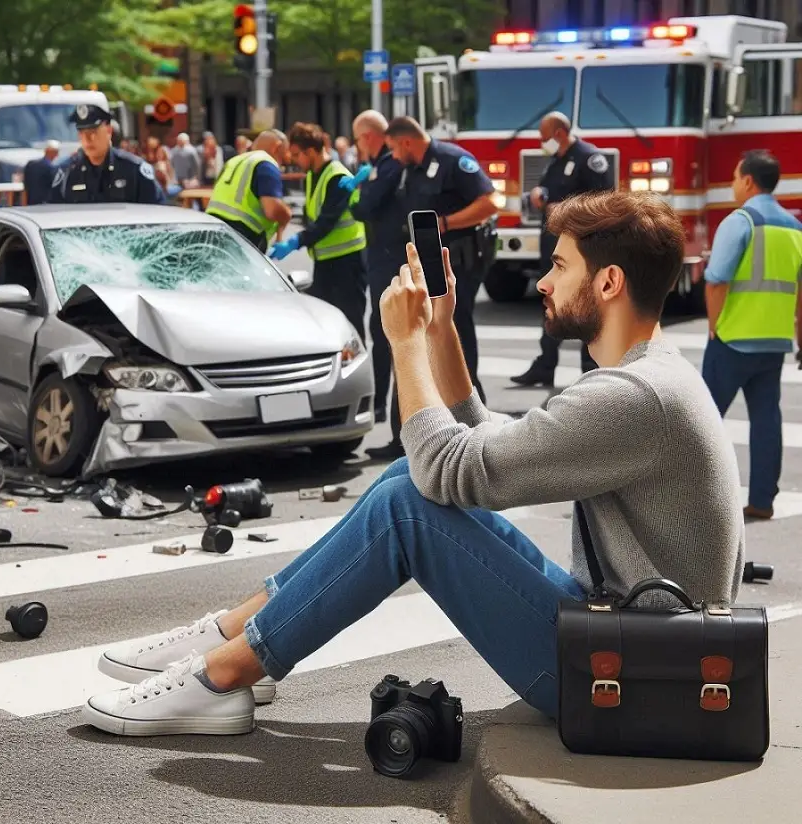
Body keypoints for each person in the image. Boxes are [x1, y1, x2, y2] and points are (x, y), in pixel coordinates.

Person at [81, 189, 744, 739]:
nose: (542, 281)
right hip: (625, 645)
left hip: (630, 680)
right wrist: (439, 330)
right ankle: (234, 635)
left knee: (409, 501)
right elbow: (482, 451)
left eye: (560, 266)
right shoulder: (648, 379)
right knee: (404, 481)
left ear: (608, 282)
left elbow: (454, 472)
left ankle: (224, 674)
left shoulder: (635, 400)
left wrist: (403, 346)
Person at [369, 115, 496, 460]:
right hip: (424, 264)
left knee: (454, 337)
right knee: (415, 340)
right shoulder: (409, 166)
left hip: (457, 264)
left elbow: (489, 203)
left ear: (407, 141)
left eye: (394, 148)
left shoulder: (454, 160)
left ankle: (473, 422)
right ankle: (403, 438)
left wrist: (445, 223)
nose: (392, 156)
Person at [702, 150, 802, 521]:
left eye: (733, 177)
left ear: (748, 181)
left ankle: (691, 501)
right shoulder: (795, 228)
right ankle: (761, 500)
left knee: (702, 421)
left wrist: (715, 328)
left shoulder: (740, 221)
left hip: (732, 339)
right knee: (766, 421)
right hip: (774, 341)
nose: (731, 184)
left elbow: (716, 282)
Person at [510, 112, 614, 387]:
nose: (542, 143)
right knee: (552, 304)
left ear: (558, 134)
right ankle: (545, 365)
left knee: (586, 305)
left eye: (544, 138)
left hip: (583, 249)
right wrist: (541, 196)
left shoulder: (590, 159)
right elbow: (552, 192)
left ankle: (591, 371)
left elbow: (605, 202)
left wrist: (566, 210)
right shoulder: (557, 160)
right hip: (556, 247)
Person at [269, 122, 368, 342]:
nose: (294, 161)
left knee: (350, 326)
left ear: (311, 151)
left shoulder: (336, 176)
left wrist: (295, 241)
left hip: (347, 263)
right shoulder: (314, 174)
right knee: (326, 325)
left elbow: (326, 222)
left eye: (296, 155)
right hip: (326, 262)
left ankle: (357, 375)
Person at [343, 109, 408, 424]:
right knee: (380, 332)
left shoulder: (387, 164)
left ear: (368, 136)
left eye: (357, 139)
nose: (357, 146)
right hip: (383, 255)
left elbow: (363, 207)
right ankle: (383, 403)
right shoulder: (378, 165)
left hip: (389, 257)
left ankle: (385, 406)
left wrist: (355, 195)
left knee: (384, 333)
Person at [49, 103, 164, 205]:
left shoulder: (133, 169)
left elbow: (156, 212)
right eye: (82, 133)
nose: (88, 139)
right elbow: (55, 215)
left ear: (109, 131)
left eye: (93, 132)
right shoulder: (67, 172)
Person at [206, 129, 292, 252]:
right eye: (283, 157)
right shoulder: (266, 163)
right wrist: (286, 214)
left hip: (212, 231)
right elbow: (273, 210)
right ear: (277, 147)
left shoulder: (233, 161)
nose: (282, 164)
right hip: (243, 239)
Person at [23, 140, 60, 205]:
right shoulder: (51, 168)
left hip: (30, 202)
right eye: (56, 152)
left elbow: (26, 184)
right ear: (56, 154)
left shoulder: (30, 164)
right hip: (45, 203)